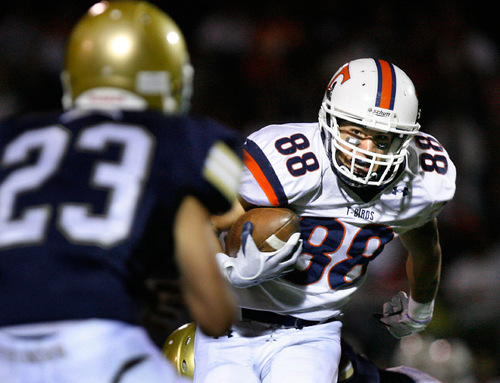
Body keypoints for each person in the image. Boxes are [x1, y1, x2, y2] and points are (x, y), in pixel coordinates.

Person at [0, 1, 243, 382]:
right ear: (171, 78)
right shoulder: (180, 142)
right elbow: (215, 315)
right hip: (98, 348)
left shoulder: (11, 137)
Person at [194, 58, 456, 382]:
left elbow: (426, 248)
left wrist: (419, 312)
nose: (367, 152)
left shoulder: (416, 184)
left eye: (382, 139)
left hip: (312, 333)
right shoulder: (291, 164)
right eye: (356, 133)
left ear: (404, 141)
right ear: (329, 119)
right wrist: (227, 270)